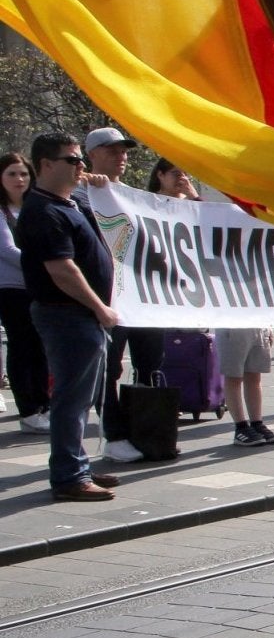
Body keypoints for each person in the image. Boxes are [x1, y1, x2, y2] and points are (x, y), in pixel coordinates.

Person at [15, 132, 120, 500]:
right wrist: (99, 307)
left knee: (84, 396)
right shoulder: (42, 211)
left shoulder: (69, 201)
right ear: (45, 165)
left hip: (80, 316)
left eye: (81, 160)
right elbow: (63, 270)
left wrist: (99, 185)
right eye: (72, 160)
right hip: (67, 314)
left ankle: (78, 465)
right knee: (71, 398)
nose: (81, 167)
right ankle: (69, 476)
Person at [77, 126, 165, 465]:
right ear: (93, 154)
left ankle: (146, 427)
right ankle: (114, 434)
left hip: (141, 296)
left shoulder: (130, 193)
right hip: (109, 297)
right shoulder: (83, 192)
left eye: (124, 150)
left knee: (149, 362)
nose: (121, 156)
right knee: (108, 368)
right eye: (112, 150)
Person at [1, 150, 51, 432]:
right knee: (22, 346)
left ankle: (44, 405)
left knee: (42, 347)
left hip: (40, 287)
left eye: (23, 173)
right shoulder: (2, 211)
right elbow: (8, 250)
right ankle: (29, 410)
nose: (19, 179)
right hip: (12, 289)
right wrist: (44, 265)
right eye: (11, 174)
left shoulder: (36, 206)